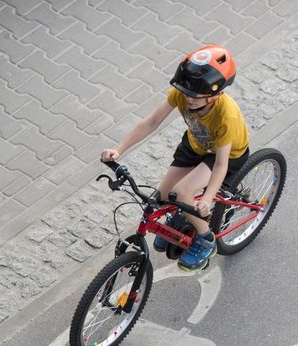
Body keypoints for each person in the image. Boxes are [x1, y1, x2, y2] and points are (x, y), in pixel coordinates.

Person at [100, 44, 250, 272]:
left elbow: (220, 165)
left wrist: (208, 199)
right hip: (195, 145)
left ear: (216, 94)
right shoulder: (181, 95)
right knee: (161, 197)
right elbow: (150, 122)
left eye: (196, 95)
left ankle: (205, 238)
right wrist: (119, 150)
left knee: (182, 193)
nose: (189, 98)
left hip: (224, 155)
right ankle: (181, 218)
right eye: (186, 91)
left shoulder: (225, 114)